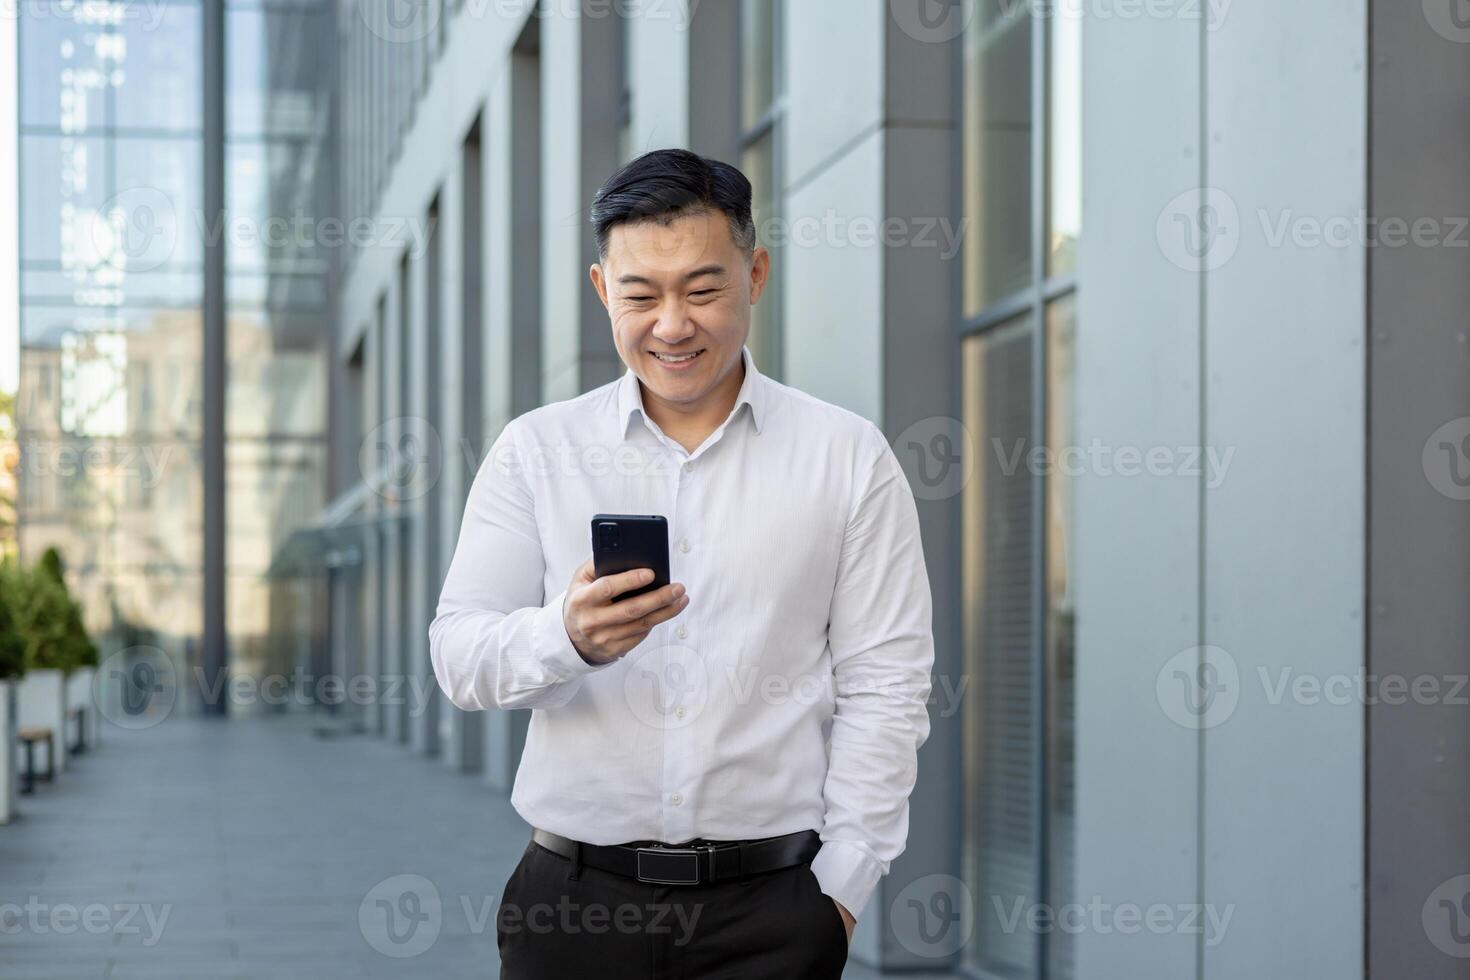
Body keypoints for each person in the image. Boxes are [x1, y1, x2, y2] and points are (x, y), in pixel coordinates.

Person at [430, 148, 934, 979]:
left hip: (773, 911)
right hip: (572, 907)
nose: (672, 324)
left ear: (755, 274)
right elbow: (459, 657)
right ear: (602, 291)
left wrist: (842, 889)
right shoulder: (536, 451)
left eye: (703, 290)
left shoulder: (846, 456)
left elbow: (888, 680)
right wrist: (568, 637)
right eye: (640, 295)